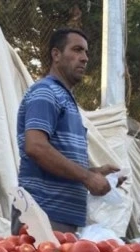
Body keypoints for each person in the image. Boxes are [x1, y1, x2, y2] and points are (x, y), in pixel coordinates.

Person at [13, 28, 123, 235]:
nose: (84, 58)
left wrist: (94, 173)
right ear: (56, 55)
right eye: (77, 50)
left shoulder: (65, 99)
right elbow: (36, 147)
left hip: (60, 217)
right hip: (43, 214)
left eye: (87, 53)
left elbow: (58, 158)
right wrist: (87, 178)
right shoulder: (45, 91)